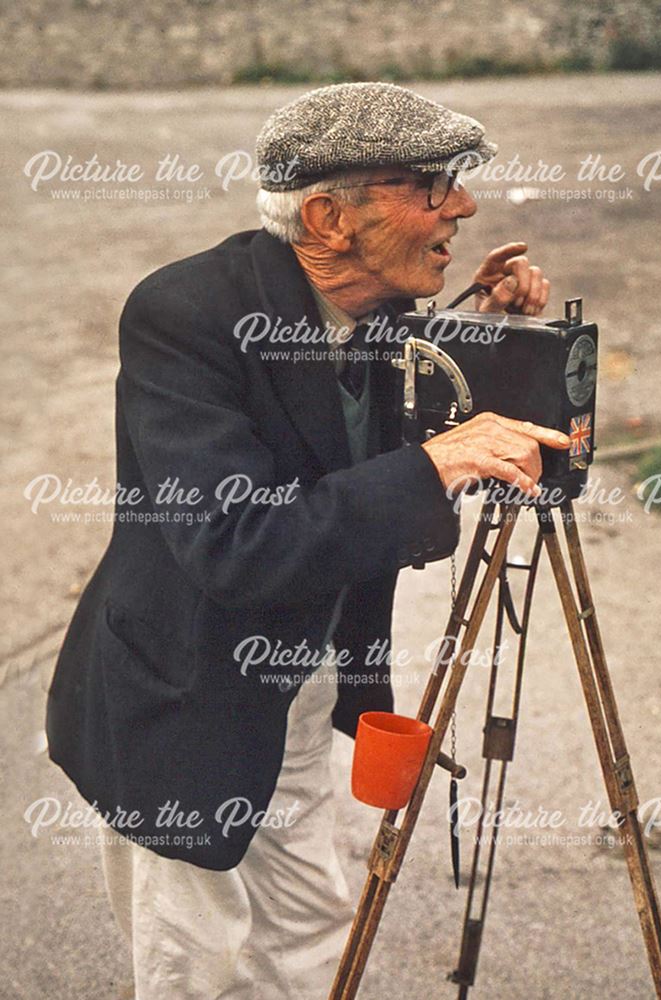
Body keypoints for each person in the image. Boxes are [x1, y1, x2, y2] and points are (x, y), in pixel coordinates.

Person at [46, 81, 569, 999]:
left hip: (301, 685)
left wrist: (485, 337)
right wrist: (438, 464)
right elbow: (238, 542)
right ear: (328, 216)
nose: (463, 206)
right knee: (194, 955)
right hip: (188, 700)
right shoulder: (186, 315)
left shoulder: (372, 314)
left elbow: (362, 448)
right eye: (427, 185)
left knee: (310, 921)